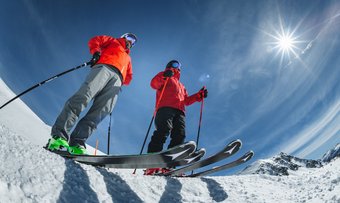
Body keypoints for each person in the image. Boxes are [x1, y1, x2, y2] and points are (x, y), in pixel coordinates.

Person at [46, 33, 137, 155]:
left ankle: (77, 142)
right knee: (83, 96)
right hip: (105, 67)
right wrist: (96, 52)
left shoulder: (128, 58)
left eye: (134, 42)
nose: (131, 42)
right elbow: (95, 40)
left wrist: (122, 80)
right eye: (130, 38)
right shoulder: (113, 41)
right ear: (124, 36)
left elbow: (129, 77)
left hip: (117, 80)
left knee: (101, 112)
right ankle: (58, 137)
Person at [145, 60, 208, 175]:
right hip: (165, 107)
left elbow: (187, 100)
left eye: (179, 66)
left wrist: (199, 95)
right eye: (175, 64)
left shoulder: (181, 86)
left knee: (180, 135)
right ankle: (152, 163)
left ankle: (170, 164)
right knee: (163, 130)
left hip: (180, 111)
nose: (178, 67)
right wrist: (164, 75)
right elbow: (154, 84)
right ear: (169, 65)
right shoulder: (165, 76)